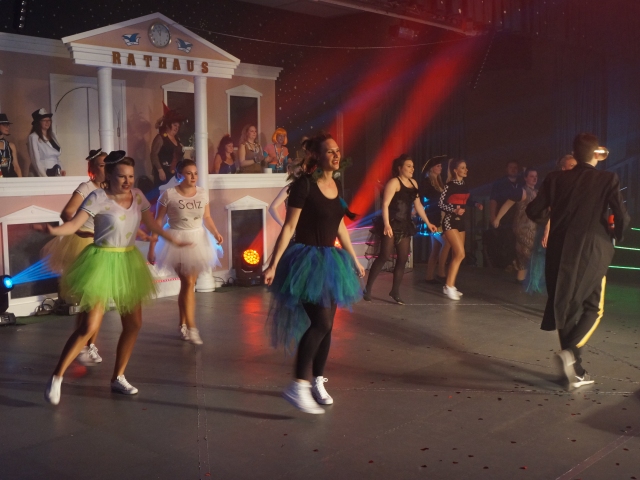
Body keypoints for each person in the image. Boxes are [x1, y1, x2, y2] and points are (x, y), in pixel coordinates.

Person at [44, 151, 190, 405]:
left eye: (131, 176)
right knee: (89, 326)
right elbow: (74, 224)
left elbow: (151, 225)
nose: (127, 181)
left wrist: (173, 239)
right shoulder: (97, 197)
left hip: (127, 262)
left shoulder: (138, 196)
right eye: (122, 176)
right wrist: (54, 230)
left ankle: (118, 376)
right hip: (101, 261)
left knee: (133, 324)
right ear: (109, 175)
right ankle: (57, 377)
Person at [264, 132, 364, 415]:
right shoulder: (304, 185)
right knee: (320, 322)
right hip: (306, 261)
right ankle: (298, 385)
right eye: (330, 151)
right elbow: (289, 227)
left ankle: (318, 381)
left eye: (337, 150)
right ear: (318, 157)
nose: (336, 155)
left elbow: (339, 225)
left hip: (331, 261)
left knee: (327, 325)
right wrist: (273, 264)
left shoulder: (336, 185)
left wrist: (354, 259)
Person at [526, 134, 629, 390]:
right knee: (594, 307)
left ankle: (576, 372)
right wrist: (615, 234)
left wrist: (555, 218)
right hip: (592, 250)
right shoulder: (607, 178)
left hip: (559, 249)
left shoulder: (555, 178)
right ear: (595, 155)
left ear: (574, 154)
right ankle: (570, 353)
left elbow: (533, 211)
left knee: (565, 307)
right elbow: (622, 217)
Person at [41, 149, 107, 365]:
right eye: (101, 165)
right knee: (93, 299)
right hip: (85, 242)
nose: (106, 168)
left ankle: (88, 345)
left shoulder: (110, 189)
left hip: (103, 245)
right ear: (92, 168)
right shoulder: (86, 188)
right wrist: (80, 228)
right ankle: (86, 345)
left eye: (108, 164)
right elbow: (67, 213)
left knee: (96, 300)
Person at [147, 159, 223, 345]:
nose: (193, 177)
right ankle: (192, 327)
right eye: (189, 173)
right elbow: (157, 221)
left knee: (188, 284)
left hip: (198, 240)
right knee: (188, 282)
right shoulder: (169, 195)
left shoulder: (202, 193)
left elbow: (206, 217)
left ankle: (183, 324)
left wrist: (215, 232)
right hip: (176, 240)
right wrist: (152, 247)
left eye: (195, 173)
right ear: (179, 175)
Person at [364, 154, 437, 304]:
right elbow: (385, 204)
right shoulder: (394, 183)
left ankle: (395, 291)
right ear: (400, 168)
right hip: (391, 223)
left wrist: (428, 222)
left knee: (402, 259)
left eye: (413, 166)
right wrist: (386, 224)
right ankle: (368, 288)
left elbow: (418, 205)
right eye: (409, 166)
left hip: (405, 225)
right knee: (384, 256)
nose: (412, 169)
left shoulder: (414, 183)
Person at [439, 159, 483, 300]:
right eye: (463, 168)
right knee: (460, 254)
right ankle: (449, 286)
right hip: (450, 221)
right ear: (455, 170)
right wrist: (454, 210)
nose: (466, 170)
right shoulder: (449, 185)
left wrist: (475, 204)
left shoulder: (464, 185)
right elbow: (440, 203)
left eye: (466, 167)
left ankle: (450, 285)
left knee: (456, 255)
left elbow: (466, 200)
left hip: (461, 223)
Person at [493, 168, 539, 283]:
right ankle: (532, 279)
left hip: (534, 226)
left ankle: (520, 278)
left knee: (524, 253)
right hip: (523, 226)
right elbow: (507, 204)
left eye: (536, 176)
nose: (534, 178)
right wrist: (497, 218)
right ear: (525, 178)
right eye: (532, 176)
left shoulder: (537, 192)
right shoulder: (521, 191)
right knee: (528, 252)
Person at [486, 160, 522, 268]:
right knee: (504, 241)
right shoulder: (499, 183)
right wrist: (493, 216)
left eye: (515, 167)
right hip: (504, 217)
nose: (513, 169)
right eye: (511, 167)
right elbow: (493, 200)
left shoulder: (521, 182)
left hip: (519, 217)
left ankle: (516, 264)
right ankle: (504, 265)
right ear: (506, 169)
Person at [420, 156, 449, 283]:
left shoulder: (440, 182)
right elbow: (419, 197)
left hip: (440, 217)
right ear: (431, 168)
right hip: (433, 219)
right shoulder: (427, 182)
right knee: (447, 243)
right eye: (438, 166)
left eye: (441, 166)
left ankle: (429, 276)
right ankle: (441, 273)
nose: (440, 168)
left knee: (436, 248)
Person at [150, 110, 185, 186]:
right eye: (174, 125)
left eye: (178, 126)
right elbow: (153, 154)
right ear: (168, 125)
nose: (176, 128)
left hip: (175, 174)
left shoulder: (177, 139)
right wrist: (160, 170)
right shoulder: (161, 138)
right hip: (164, 174)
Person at [28, 108, 64, 177]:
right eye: (44, 120)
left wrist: (62, 169)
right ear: (38, 122)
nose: (47, 122)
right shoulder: (33, 137)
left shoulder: (52, 136)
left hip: (55, 172)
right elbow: (36, 160)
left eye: (49, 120)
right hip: (43, 173)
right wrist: (44, 177)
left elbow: (56, 157)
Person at [268, 160, 303, 227]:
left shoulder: (307, 187)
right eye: (299, 168)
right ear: (293, 172)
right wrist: (284, 225)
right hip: (294, 227)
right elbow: (272, 208)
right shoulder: (289, 188)